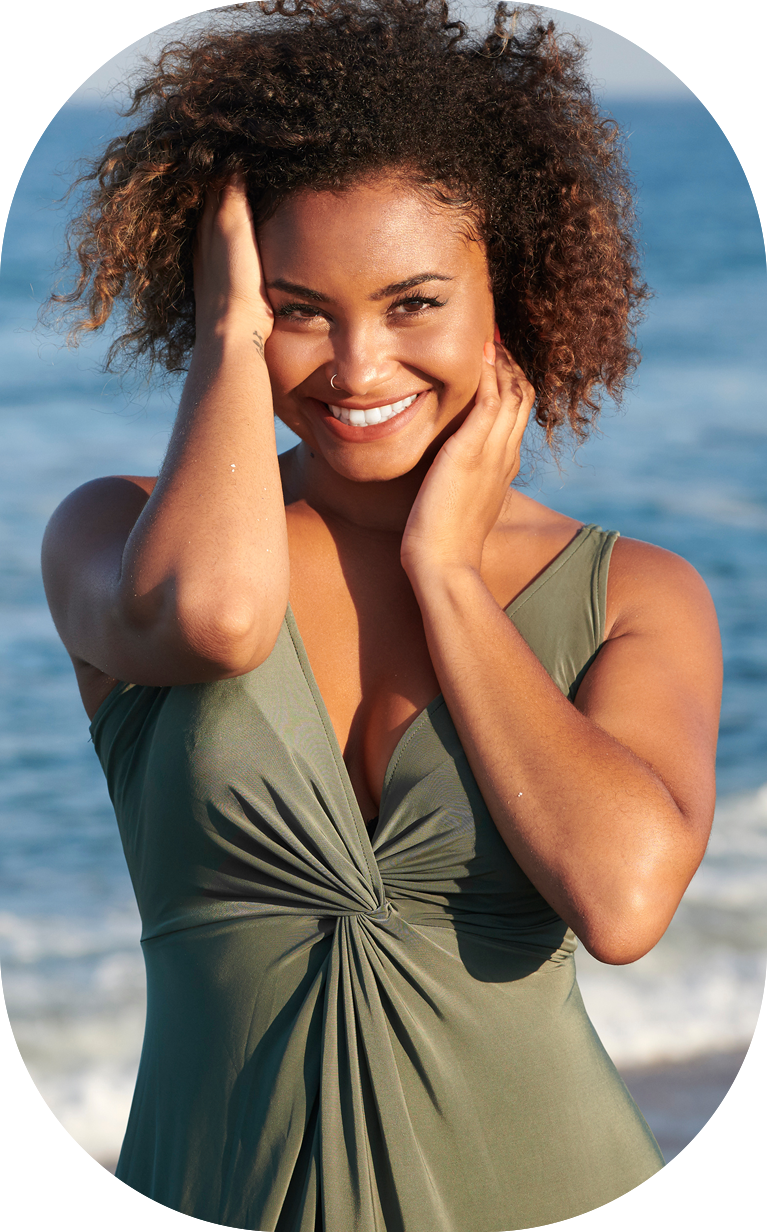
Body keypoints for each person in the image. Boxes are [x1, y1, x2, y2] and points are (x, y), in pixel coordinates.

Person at [40, 1, 722, 1227]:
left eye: (413, 303)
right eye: (296, 307)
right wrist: (225, 338)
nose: (357, 368)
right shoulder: (114, 534)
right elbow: (217, 619)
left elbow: (621, 901)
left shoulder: (633, 593)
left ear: (504, 297)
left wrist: (450, 578)